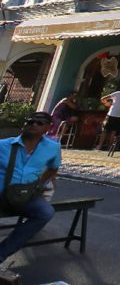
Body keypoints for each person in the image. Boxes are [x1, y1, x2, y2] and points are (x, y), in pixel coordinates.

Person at [0, 112, 61, 284]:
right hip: (1, 194)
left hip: (26, 195)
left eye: (39, 123)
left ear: (48, 128)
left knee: (46, 212)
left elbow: (53, 168)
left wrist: (39, 185)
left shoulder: (52, 147)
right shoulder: (4, 145)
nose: (33, 124)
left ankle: (1, 253)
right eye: (30, 121)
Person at [94, 84, 120, 151]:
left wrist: (107, 104)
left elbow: (103, 98)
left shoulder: (118, 93)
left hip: (112, 113)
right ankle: (110, 147)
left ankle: (100, 145)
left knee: (105, 130)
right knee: (114, 131)